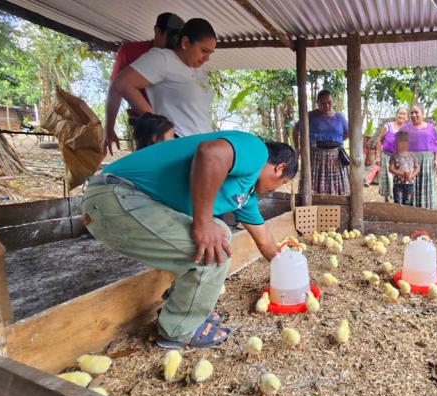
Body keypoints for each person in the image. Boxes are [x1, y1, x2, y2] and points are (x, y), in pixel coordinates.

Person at [82, 131, 297, 348]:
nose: (276, 189)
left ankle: (182, 310)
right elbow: (210, 153)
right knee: (215, 251)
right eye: (283, 182)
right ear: (279, 168)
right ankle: (179, 330)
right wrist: (203, 222)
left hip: (126, 199)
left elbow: (263, 237)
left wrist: (288, 269)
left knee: (221, 234)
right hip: (115, 196)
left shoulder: (244, 195)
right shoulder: (257, 150)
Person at [112, 18, 216, 137]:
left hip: (203, 141)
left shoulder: (198, 70)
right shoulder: (163, 59)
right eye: (204, 51)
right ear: (185, 43)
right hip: (179, 140)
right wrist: (158, 126)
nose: (207, 58)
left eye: (210, 53)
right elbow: (122, 83)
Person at [102, 12, 184, 155]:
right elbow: (115, 90)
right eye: (171, 37)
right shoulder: (130, 51)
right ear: (157, 31)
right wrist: (109, 128)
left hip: (174, 128)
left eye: (177, 39)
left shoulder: (179, 59)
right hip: (146, 126)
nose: (174, 43)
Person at [292, 89, 350, 195]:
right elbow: (296, 130)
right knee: (314, 186)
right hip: (316, 157)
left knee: (336, 188)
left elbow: (348, 132)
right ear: (317, 103)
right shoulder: (310, 116)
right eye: (323, 103)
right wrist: (297, 147)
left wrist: (337, 140)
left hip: (336, 158)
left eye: (329, 103)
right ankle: (315, 202)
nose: (327, 106)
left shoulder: (339, 117)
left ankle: (335, 201)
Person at [402, 104, 437, 209]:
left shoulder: (431, 128)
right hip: (410, 162)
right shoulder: (405, 128)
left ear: (423, 114)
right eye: (411, 113)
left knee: (426, 185)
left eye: (416, 112)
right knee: (410, 185)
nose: (413, 115)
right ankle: (410, 209)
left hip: (427, 162)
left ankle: (427, 209)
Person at [376, 107, 408, 202]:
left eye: (404, 114)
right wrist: (378, 156)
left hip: (400, 158)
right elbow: (379, 140)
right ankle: (386, 200)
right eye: (400, 113)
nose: (401, 115)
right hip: (386, 156)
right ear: (396, 114)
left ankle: (397, 200)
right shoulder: (388, 126)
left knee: (398, 179)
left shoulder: (407, 129)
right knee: (388, 179)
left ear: (406, 117)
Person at [389, 130, 420, 206]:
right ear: (396, 143)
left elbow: (417, 167)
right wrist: (402, 174)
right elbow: (391, 169)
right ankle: (398, 213)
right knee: (398, 202)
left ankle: (407, 213)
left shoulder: (412, 155)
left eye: (406, 142)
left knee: (407, 202)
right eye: (401, 142)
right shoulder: (394, 156)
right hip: (398, 184)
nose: (404, 144)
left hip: (410, 184)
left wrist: (411, 175)